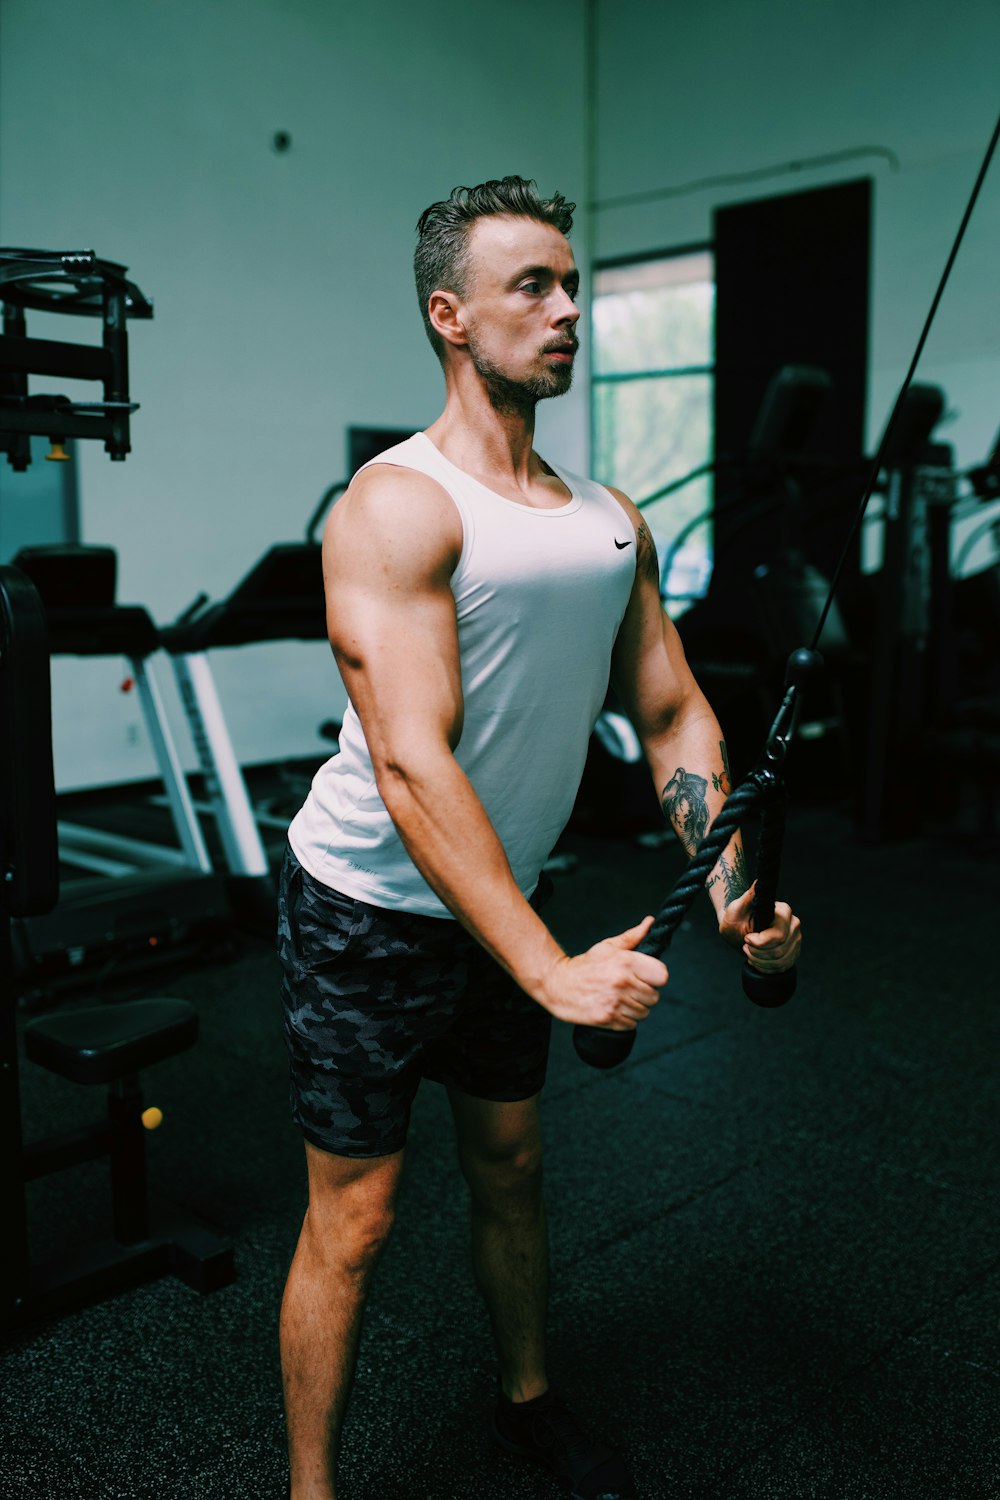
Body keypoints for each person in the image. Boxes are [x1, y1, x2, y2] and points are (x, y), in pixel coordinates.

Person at [278, 175, 801, 1500]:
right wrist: (547, 966)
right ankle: (309, 1486)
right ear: (450, 315)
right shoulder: (396, 507)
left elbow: (674, 710)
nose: (569, 309)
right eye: (534, 286)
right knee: (356, 1218)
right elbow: (409, 756)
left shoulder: (606, 519)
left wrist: (735, 891)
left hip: (498, 899)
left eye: (573, 284)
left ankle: (528, 1400)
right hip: (367, 908)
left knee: (511, 1165)